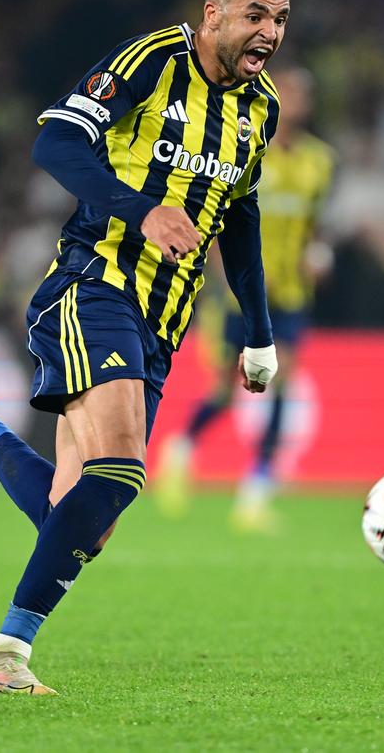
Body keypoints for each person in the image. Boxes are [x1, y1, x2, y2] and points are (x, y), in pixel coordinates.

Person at [0, 0, 289, 695]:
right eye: (256, 14)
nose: (270, 32)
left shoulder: (261, 107)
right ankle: (4, 657)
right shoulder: (152, 61)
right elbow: (54, 141)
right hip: (94, 287)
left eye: (279, 18)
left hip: (164, 322)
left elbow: (239, 219)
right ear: (213, 13)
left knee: (84, 513)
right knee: (119, 474)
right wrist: (141, 208)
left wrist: (260, 331)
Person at [153, 67, 334, 531]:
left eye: (299, 94)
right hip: (239, 295)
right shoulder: (247, 146)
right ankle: (182, 449)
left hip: (291, 294)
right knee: (224, 391)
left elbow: (314, 223)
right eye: (286, 92)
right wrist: (218, 275)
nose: (291, 101)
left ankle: (255, 493)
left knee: (283, 382)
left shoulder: (320, 161)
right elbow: (219, 211)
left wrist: (316, 255)